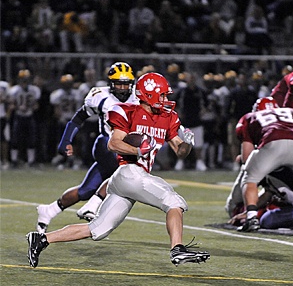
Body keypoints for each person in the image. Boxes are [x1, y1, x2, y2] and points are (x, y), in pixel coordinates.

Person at [26, 72, 210, 268]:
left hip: (128, 180)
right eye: (163, 95)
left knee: (98, 229)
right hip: (128, 172)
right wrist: (137, 150)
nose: (166, 99)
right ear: (149, 95)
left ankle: (41, 239)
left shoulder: (168, 117)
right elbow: (113, 144)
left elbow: (180, 151)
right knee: (173, 201)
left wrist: (188, 143)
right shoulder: (126, 111)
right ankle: (177, 249)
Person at [36, 62, 138, 233]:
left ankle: (49, 210)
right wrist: (65, 140)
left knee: (86, 190)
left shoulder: (138, 97)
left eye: (126, 83)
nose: (122, 88)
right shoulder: (101, 96)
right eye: (118, 83)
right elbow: (78, 119)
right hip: (107, 145)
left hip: (125, 147)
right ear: (111, 83)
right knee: (128, 171)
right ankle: (93, 205)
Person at [235, 97, 293, 232]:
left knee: (250, 179)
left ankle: (251, 218)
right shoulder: (292, 112)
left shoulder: (250, 117)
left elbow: (247, 157)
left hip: (272, 141)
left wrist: (252, 163)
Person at [8, 69, 41, 168]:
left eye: (26, 79)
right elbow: (12, 104)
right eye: (22, 79)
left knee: (32, 139)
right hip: (19, 116)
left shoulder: (34, 90)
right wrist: (17, 107)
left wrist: (33, 106)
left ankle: (31, 161)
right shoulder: (15, 90)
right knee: (15, 139)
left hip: (29, 116)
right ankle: (14, 160)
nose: (24, 81)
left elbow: (36, 105)